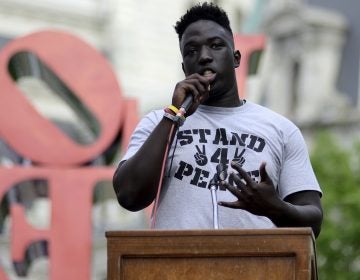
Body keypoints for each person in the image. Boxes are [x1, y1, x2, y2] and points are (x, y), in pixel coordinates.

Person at [113, 2, 323, 237]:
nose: (204, 57)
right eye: (192, 51)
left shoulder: (282, 129)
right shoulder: (158, 122)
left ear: (235, 58)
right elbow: (129, 196)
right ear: (184, 67)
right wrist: (174, 114)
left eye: (215, 46)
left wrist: (275, 208)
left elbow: (313, 221)